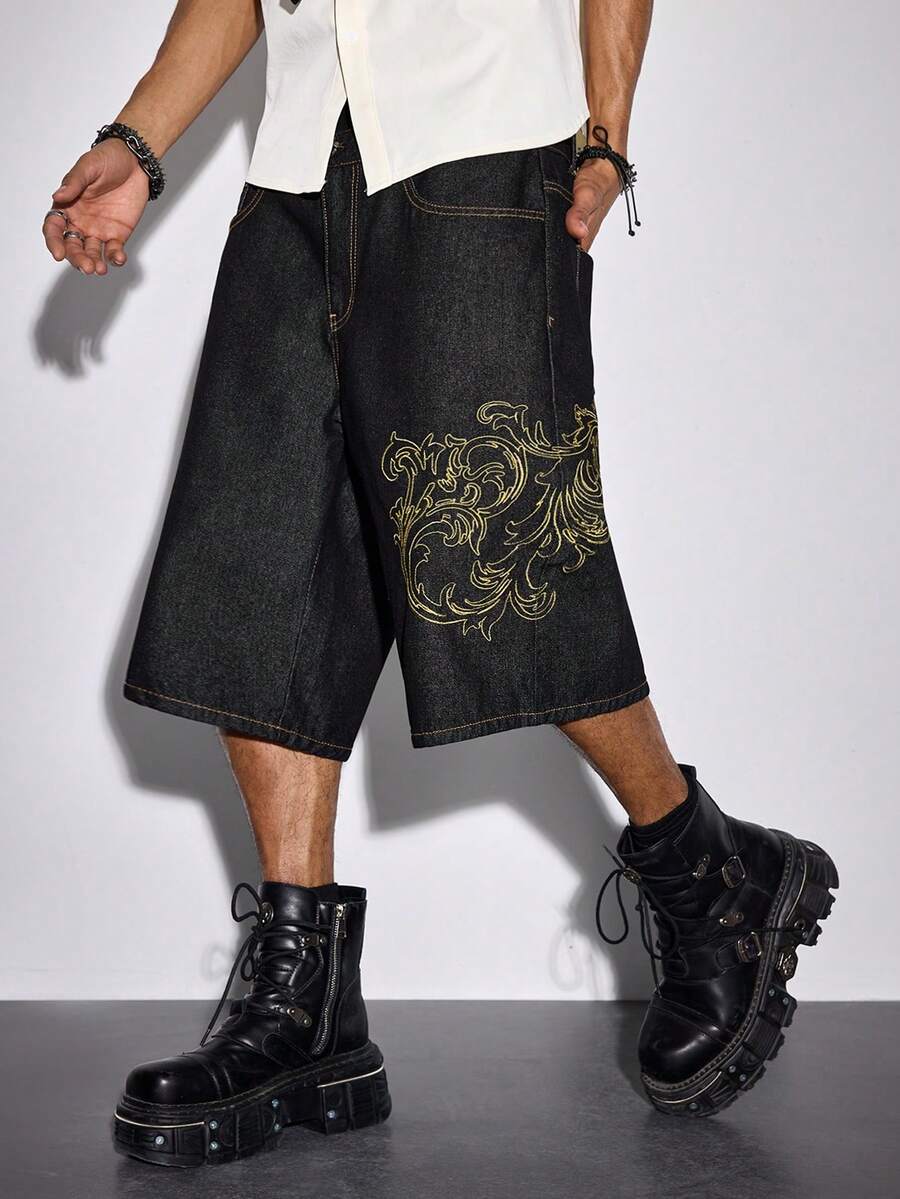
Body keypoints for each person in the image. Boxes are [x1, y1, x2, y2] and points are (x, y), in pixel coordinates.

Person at [43, 0, 838, 1169]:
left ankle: (707, 869)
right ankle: (304, 1005)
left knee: (503, 562)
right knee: (253, 566)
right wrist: (139, 143)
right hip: (298, 168)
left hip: (481, 145)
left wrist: (606, 133)